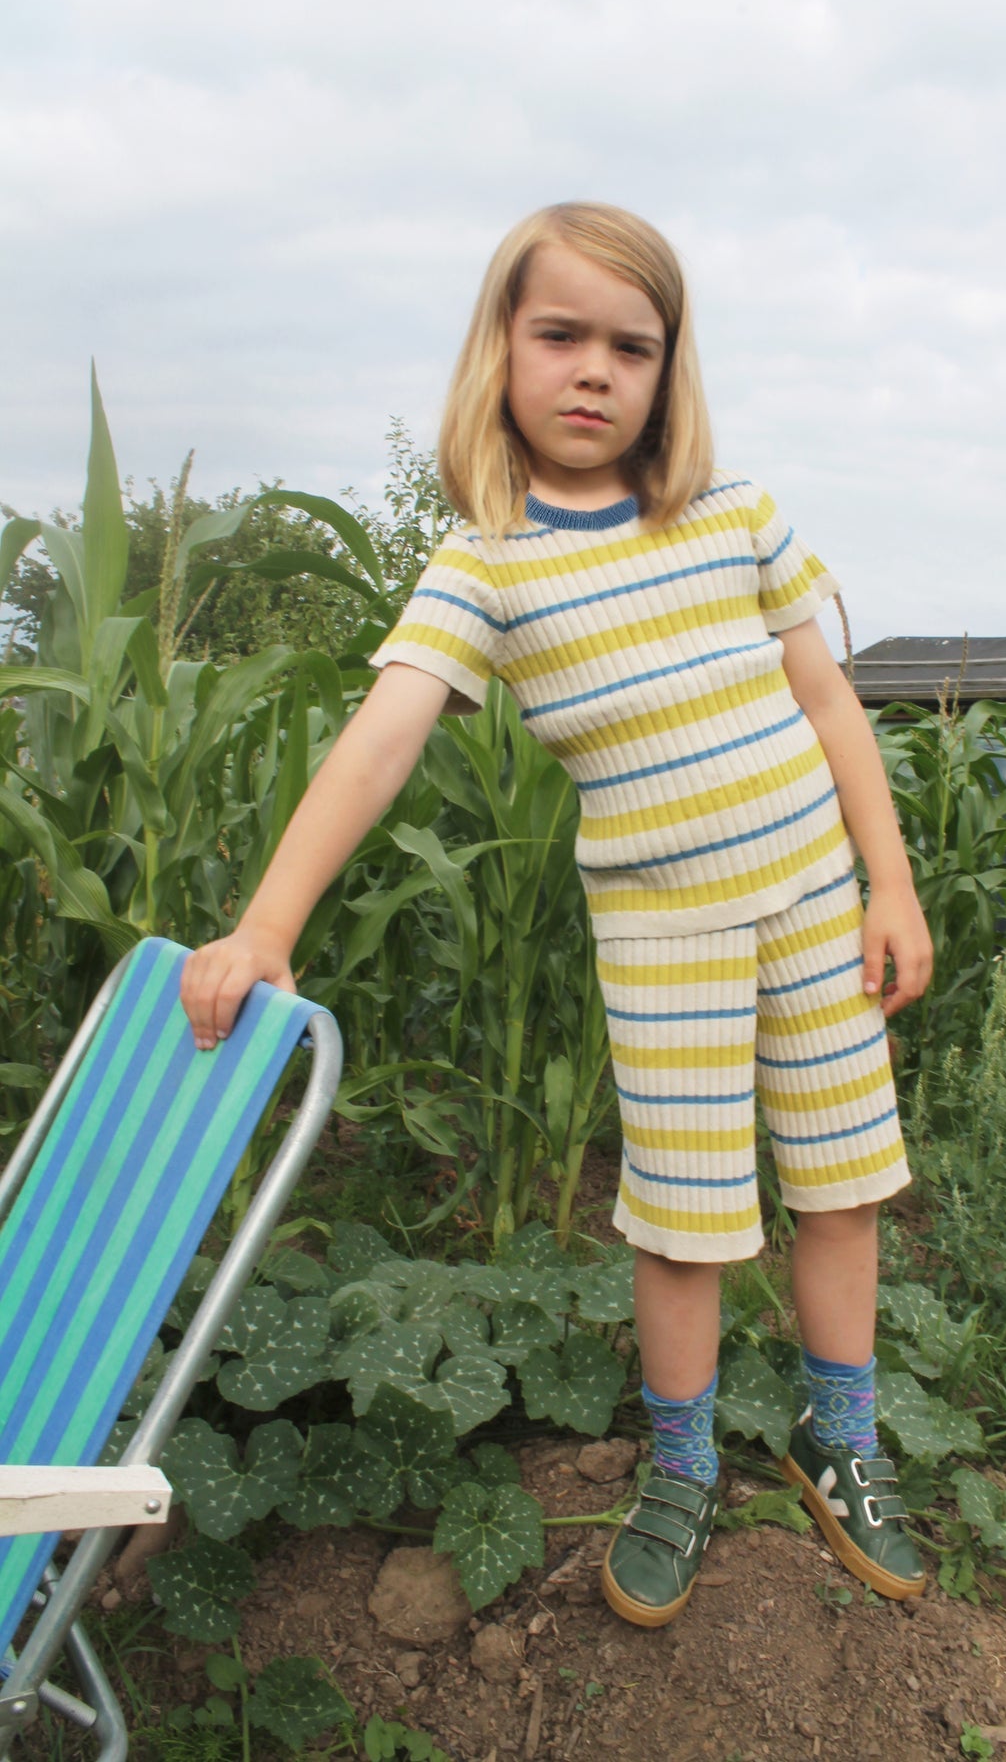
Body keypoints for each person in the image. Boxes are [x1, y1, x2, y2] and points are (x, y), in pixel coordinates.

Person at [181, 201, 934, 1629]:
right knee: (684, 1224)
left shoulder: (734, 513)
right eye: (561, 336)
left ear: (669, 369)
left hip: (814, 909)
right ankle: (682, 1465)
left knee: (843, 1187)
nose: (596, 370)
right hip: (663, 942)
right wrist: (266, 925)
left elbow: (831, 704)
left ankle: (842, 1438)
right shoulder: (487, 562)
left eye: (632, 347)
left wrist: (887, 886)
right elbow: (380, 741)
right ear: (502, 349)